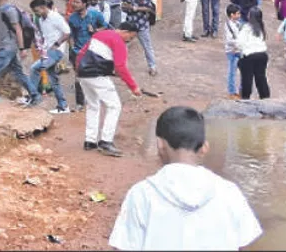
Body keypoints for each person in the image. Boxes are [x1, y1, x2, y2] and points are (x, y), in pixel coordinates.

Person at [109, 106, 263, 251]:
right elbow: (243, 243)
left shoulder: (141, 194)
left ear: (160, 144)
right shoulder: (229, 192)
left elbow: (124, 246)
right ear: (204, 148)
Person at [76, 21, 143, 157]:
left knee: (93, 106)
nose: (130, 40)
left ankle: (90, 140)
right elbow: (120, 67)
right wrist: (133, 87)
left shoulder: (100, 34)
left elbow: (82, 53)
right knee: (114, 106)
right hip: (98, 76)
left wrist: (78, 70)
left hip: (83, 74)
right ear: (125, 31)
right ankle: (106, 141)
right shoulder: (118, 41)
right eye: (131, 36)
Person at [68, 0, 111, 110]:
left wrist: (95, 30)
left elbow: (105, 27)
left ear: (84, 4)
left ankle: (98, 99)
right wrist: (72, 49)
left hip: (93, 50)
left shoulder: (95, 14)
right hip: (78, 51)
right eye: (73, 2)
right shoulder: (72, 18)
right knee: (78, 77)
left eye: (77, 2)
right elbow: (70, 35)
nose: (74, 4)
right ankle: (80, 103)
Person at [29, 0, 72, 114]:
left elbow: (67, 32)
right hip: (47, 51)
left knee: (35, 68)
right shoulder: (42, 20)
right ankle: (63, 106)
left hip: (56, 51)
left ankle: (33, 97)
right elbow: (46, 36)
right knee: (54, 80)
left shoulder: (55, 17)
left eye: (37, 11)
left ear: (43, 7)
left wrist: (57, 44)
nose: (36, 14)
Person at [121, 0, 158, 76]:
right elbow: (124, 8)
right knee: (123, 46)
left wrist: (134, 8)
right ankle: (121, 68)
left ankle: (152, 66)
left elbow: (149, 8)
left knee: (147, 46)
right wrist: (125, 8)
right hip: (130, 24)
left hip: (141, 23)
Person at [234, 7, 270, 100]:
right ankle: (265, 97)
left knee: (247, 78)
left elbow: (239, 43)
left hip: (249, 56)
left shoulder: (246, 28)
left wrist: (239, 49)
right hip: (262, 55)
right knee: (261, 78)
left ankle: (245, 98)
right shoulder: (261, 27)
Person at [222, 4, 243, 99]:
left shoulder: (238, 23)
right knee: (232, 72)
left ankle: (242, 90)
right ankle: (232, 91)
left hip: (239, 50)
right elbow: (229, 40)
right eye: (237, 14)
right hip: (232, 51)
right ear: (232, 14)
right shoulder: (228, 25)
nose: (239, 15)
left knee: (244, 71)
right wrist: (238, 43)